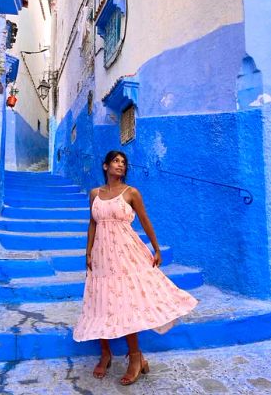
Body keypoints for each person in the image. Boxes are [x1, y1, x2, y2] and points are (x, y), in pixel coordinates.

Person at [73, 150, 197, 386]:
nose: (120, 165)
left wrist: (157, 248)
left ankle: (135, 357)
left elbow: (144, 219)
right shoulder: (94, 194)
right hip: (101, 254)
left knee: (125, 301)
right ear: (105, 165)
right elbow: (93, 222)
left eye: (123, 162)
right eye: (116, 161)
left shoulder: (131, 193)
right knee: (100, 299)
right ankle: (106, 353)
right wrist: (88, 251)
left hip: (126, 252)